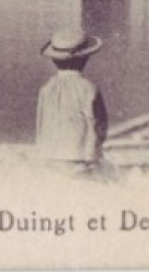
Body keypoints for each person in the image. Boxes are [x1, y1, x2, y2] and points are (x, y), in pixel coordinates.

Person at [35, 24, 108, 171]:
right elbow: (100, 124)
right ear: (85, 60)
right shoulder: (88, 88)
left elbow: (40, 123)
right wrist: (94, 155)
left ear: (54, 60)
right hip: (79, 159)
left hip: (49, 157)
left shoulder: (46, 89)